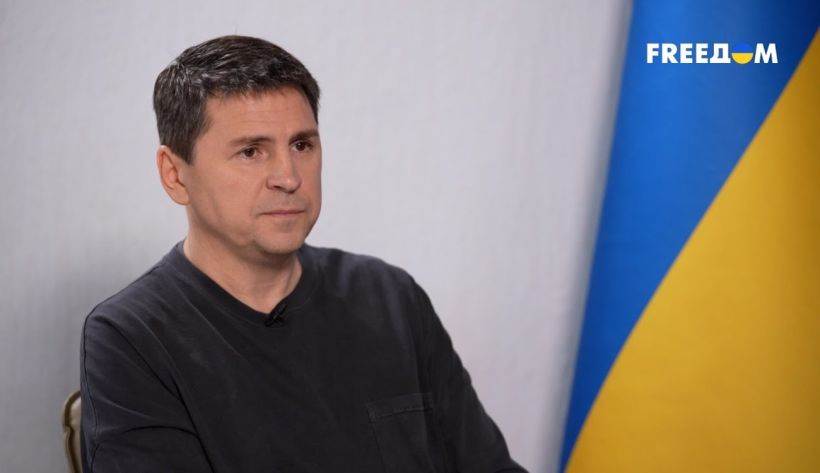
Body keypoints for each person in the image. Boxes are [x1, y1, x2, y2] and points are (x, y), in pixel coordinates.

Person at [80, 35, 526, 473]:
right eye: (251, 151)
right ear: (175, 175)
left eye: (301, 145)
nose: (288, 177)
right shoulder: (132, 338)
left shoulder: (390, 296)